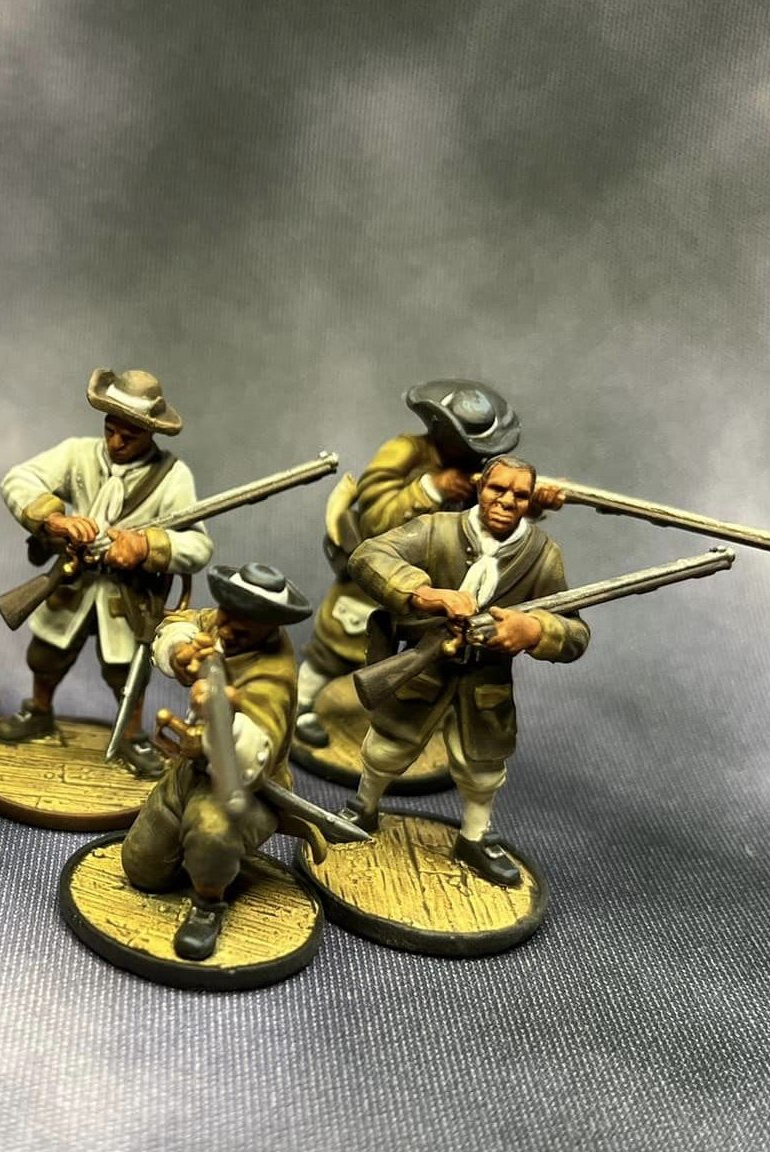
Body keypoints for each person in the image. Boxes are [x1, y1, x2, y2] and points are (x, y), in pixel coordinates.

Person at [339, 455, 589, 886]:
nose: (506, 501)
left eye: (520, 495)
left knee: (482, 771)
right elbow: (368, 555)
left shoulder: (543, 556)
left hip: (485, 682)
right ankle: (363, 807)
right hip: (427, 666)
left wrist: (534, 630)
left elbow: (576, 634)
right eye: (498, 489)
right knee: (386, 748)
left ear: (530, 502)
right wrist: (426, 594)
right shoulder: (437, 529)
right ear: (479, 488)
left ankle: (474, 837)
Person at [0, 369, 213, 776]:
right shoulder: (77, 454)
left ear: (151, 434)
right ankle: (39, 710)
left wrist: (146, 546)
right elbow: (18, 478)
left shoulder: (173, 477)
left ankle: (131, 735)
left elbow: (199, 547)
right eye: (110, 431)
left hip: (126, 596)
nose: (115, 443)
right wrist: (54, 520)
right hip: (72, 581)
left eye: (128, 436)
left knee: (126, 672)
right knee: (46, 654)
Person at [296, 379, 523, 746]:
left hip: (439, 593)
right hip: (376, 581)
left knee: (428, 662)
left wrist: (533, 501)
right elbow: (375, 522)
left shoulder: (484, 471)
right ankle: (301, 704)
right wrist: (432, 488)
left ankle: (407, 721)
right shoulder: (405, 452)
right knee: (335, 652)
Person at [117, 564, 311, 960]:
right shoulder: (222, 623)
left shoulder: (273, 677)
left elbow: (256, 754)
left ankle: (208, 905)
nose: (227, 630)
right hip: (189, 771)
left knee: (213, 832)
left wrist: (221, 713)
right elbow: (179, 623)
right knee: (141, 868)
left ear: (269, 627)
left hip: (241, 787)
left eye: (244, 627)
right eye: (227, 617)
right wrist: (180, 653)